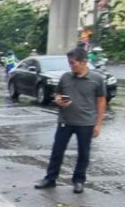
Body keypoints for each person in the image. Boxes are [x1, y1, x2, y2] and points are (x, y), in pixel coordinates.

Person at [34, 48, 107, 194]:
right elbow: (58, 94)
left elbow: (101, 102)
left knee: (83, 153)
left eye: (73, 63)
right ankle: (50, 179)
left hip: (86, 123)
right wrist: (58, 100)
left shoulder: (97, 79)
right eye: (69, 63)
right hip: (65, 121)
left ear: (83, 62)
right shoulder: (65, 77)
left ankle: (79, 181)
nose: (71, 66)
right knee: (57, 151)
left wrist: (98, 124)